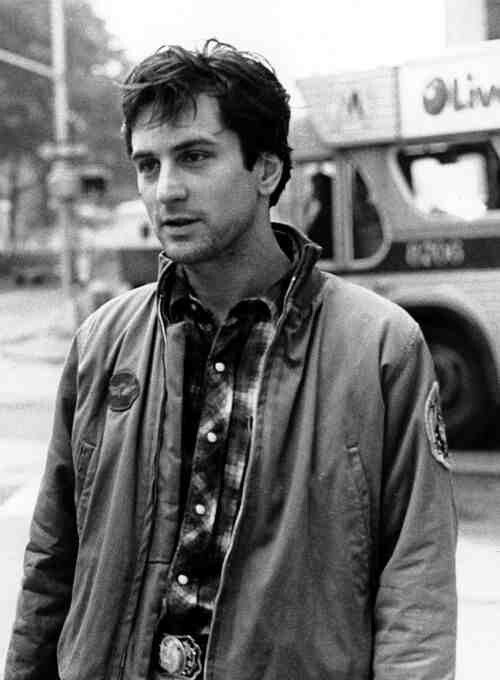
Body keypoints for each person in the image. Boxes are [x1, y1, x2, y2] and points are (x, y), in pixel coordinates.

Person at [5, 39, 457, 680]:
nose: (166, 190)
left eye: (193, 157)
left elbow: (417, 578)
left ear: (266, 171)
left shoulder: (380, 346)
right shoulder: (103, 343)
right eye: (147, 164)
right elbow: (51, 560)